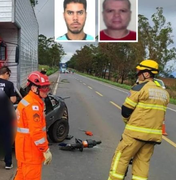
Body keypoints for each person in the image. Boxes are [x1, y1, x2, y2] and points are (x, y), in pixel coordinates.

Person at [107, 60, 170, 180]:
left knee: (121, 159)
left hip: (134, 135)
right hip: (152, 137)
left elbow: (126, 110)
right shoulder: (164, 93)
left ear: (147, 74)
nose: (138, 74)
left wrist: (128, 123)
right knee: (142, 163)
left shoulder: (139, 88)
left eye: (139, 72)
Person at [14, 71, 52, 180]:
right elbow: (36, 132)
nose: (46, 91)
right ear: (34, 88)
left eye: (47, 87)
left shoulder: (27, 101)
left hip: (23, 150)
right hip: (31, 152)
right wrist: (45, 150)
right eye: (44, 88)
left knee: (21, 175)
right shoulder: (33, 106)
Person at [0, 66, 16, 170]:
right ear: (6, 73)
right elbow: (13, 99)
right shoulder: (9, 84)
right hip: (4, 115)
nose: (9, 77)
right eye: (9, 75)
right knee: (6, 139)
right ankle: (8, 163)